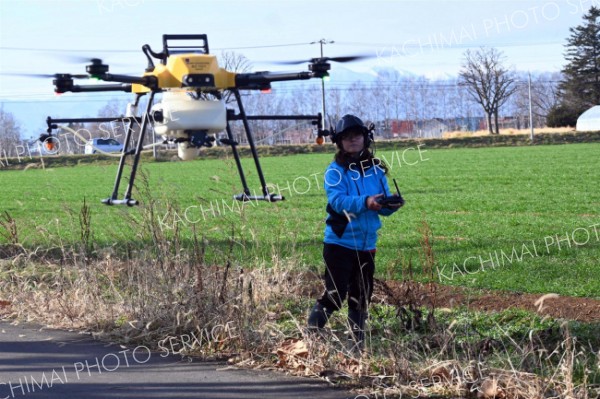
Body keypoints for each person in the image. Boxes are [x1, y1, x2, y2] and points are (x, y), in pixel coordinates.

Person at [307, 114, 403, 351]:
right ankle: (310, 338)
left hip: (367, 244)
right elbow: (338, 201)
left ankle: (356, 349)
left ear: (365, 139)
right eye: (347, 138)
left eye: (357, 136)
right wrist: (365, 202)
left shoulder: (377, 170)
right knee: (335, 295)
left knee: (361, 298)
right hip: (339, 243)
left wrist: (390, 206)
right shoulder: (334, 172)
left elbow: (379, 203)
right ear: (339, 142)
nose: (353, 141)